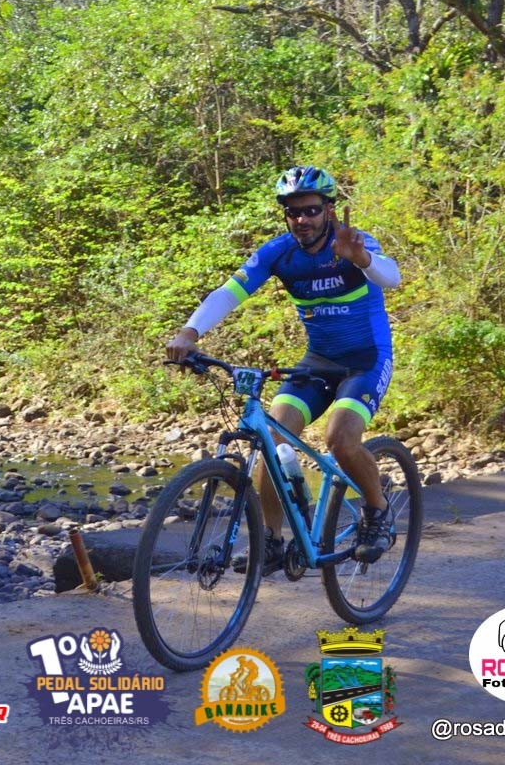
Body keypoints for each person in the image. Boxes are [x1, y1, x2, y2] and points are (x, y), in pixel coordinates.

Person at [166, 165, 401, 571]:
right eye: (293, 212)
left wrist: (361, 258)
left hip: (366, 360)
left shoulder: (351, 242)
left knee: (340, 439)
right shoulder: (279, 253)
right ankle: (272, 540)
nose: (302, 219)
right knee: (272, 438)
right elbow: (229, 293)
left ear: (329, 210)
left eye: (311, 210)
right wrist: (189, 333)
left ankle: (377, 510)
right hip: (318, 362)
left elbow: (392, 276)